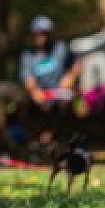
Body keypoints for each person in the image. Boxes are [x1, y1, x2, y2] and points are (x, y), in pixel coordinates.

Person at [18, 14, 82, 142]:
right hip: (39, 94)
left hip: (59, 93)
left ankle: (59, 138)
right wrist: (35, 92)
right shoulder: (28, 55)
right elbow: (28, 79)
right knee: (24, 106)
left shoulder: (61, 48)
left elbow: (78, 63)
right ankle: (34, 141)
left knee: (66, 104)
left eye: (44, 33)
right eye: (38, 33)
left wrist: (69, 78)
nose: (42, 36)